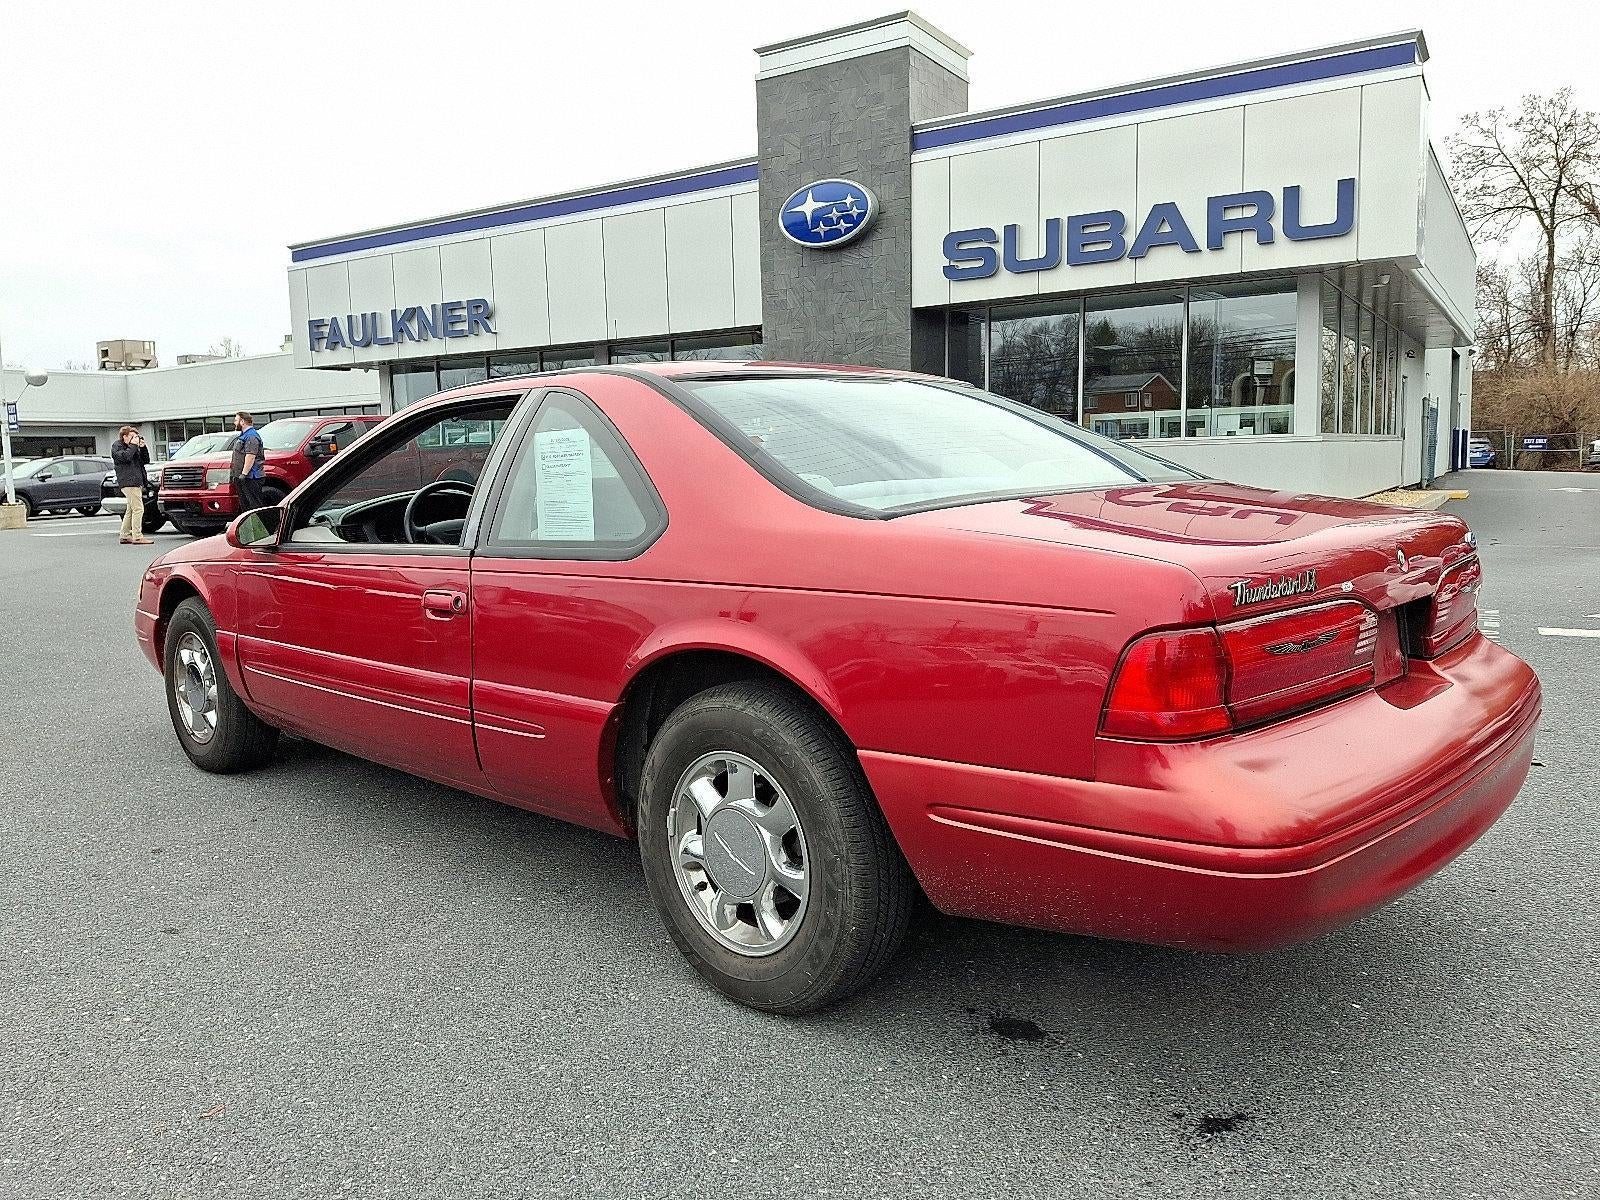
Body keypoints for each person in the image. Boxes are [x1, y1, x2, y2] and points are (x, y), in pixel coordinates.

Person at [110, 426, 153, 545]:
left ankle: (125, 535)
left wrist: (143, 447)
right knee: (138, 509)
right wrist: (133, 445)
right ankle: (138, 536)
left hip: (136, 481)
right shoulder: (117, 446)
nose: (135, 439)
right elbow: (125, 457)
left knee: (130, 509)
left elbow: (146, 460)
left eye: (136, 437)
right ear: (124, 436)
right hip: (129, 481)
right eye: (132, 436)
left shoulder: (133, 448)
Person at [231, 411, 266, 513]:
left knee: (254, 506)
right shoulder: (244, 435)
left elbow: (250, 456)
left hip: (251, 477)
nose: (234, 423)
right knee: (246, 506)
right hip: (244, 477)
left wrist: (244, 474)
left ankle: (260, 526)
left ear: (242, 421)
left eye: (236, 420)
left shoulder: (251, 436)